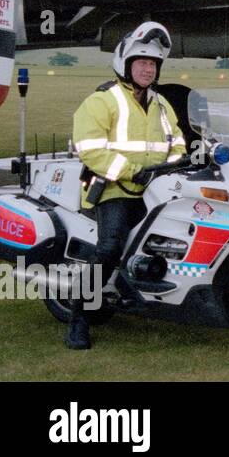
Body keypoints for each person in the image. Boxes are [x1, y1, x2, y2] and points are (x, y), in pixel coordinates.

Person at [68, 22, 186, 350]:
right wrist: (132, 171)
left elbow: (177, 143)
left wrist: (176, 163)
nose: (148, 69)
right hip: (112, 189)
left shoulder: (161, 105)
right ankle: (79, 318)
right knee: (109, 248)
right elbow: (91, 148)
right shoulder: (103, 99)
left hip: (155, 188)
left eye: (153, 64)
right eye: (142, 63)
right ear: (126, 64)